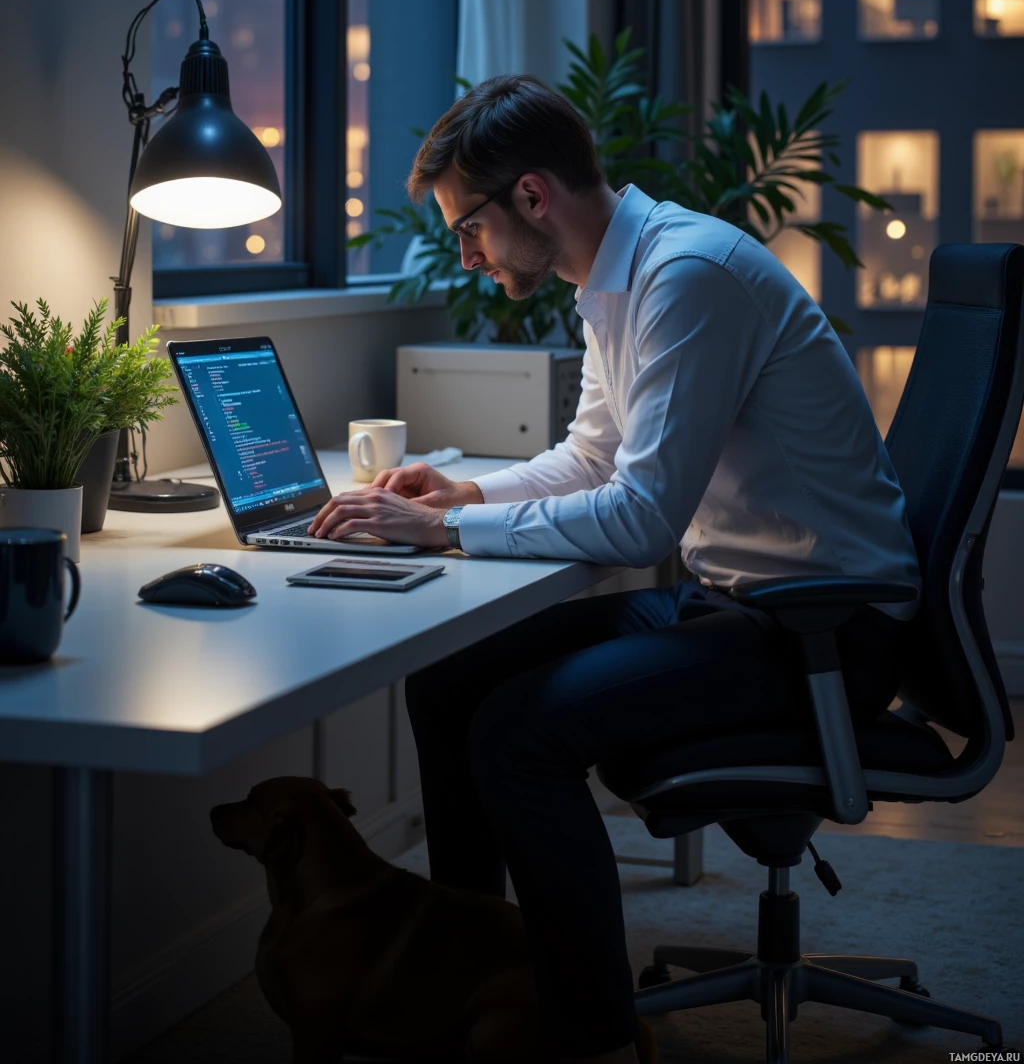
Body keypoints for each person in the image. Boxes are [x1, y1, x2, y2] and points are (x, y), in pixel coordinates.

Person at [308, 75, 921, 1064]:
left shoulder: (688, 276)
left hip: (824, 630)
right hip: (736, 603)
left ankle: (587, 1038)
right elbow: (594, 459)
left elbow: (640, 518)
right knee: (449, 681)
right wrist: (463, 498)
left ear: (532, 198)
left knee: (515, 735)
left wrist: (447, 538)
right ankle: (469, 967)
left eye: (469, 227)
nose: (465, 253)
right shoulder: (612, 281)